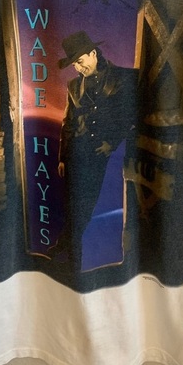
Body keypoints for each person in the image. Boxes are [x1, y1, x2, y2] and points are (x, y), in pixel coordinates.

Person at [50, 31, 138, 269]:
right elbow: (68, 122)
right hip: (75, 153)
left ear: (93, 54)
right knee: (71, 205)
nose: (78, 68)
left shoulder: (123, 77)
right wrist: (62, 157)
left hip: (99, 155)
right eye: (74, 65)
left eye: (80, 61)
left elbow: (130, 113)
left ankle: (68, 251)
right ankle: (69, 253)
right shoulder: (73, 85)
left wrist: (112, 141)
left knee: (86, 206)